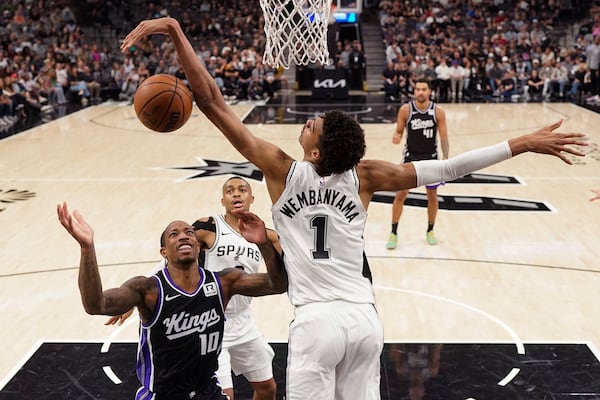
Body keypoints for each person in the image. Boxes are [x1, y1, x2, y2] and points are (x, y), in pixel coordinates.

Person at [121, 17, 587, 400]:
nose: (307, 121)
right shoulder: (364, 176)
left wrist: (178, 31)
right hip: (365, 323)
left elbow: (211, 102)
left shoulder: (282, 171)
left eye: (313, 125)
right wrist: (522, 142)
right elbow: (450, 167)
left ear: (317, 153)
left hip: (316, 323)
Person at [57, 202, 287, 400]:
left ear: (198, 246)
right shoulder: (148, 289)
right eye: (174, 234)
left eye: (189, 232)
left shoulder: (224, 282)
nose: (184, 235)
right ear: (164, 251)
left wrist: (264, 243)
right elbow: (96, 305)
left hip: (207, 391)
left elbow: (276, 284)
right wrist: (87, 248)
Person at [107, 177, 280, 400]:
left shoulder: (263, 234)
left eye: (242, 190)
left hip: (244, 320)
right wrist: (137, 297)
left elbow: (279, 275)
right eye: (230, 191)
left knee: (268, 388)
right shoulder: (209, 226)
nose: (236, 194)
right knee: (225, 394)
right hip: (211, 319)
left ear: (252, 198)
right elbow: (174, 255)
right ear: (223, 200)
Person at [387, 78, 449, 249]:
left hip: (431, 158)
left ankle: (430, 230)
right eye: (418, 89)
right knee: (400, 195)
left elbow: (443, 136)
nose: (420, 92)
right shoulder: (406, 110)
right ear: (414, 92)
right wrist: (396, 136)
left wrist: (446, 156)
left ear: (429, 91)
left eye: (424, 89)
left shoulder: (438, 111)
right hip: (410, 158)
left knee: (432, 196)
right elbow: (398, 131)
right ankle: (393, 232)